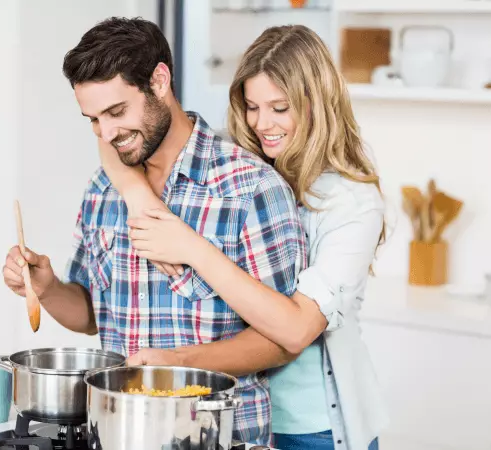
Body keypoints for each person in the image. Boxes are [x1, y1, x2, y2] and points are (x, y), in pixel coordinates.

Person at [2, 17, 307, 446]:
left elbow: (281, 342)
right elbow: (92, 316)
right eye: (92, 120)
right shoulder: (103, 189)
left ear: (159, 80)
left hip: (220, 436)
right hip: (117, 435)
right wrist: (48, 288)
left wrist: (174, 365)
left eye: (116, 111)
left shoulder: (249, 188)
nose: (107, 134)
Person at [96, 25, 389, 450]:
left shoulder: (352, 203)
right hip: (239, 416)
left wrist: (191, 247)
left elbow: (296, 330)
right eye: (252, 106)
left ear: (317, 105)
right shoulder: (243, 165)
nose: (262, 123)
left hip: (312, 426)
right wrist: (138, 196)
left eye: (279, 108)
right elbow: (107, 138)